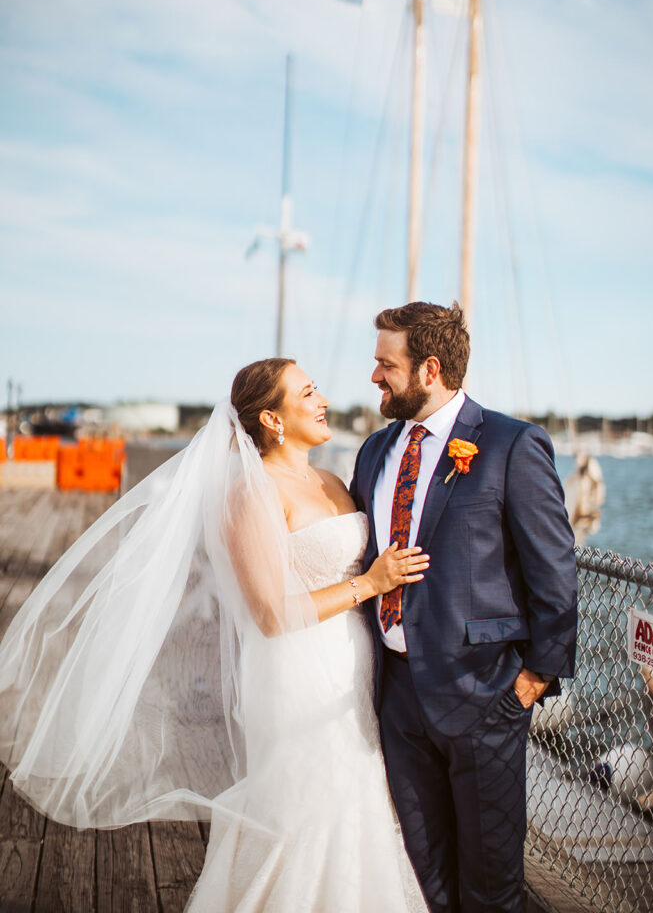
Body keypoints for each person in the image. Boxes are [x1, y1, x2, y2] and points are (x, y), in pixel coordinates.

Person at [0, 358, 428, 912]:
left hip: (352, 668)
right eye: (308, 391)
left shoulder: (331, 481)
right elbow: (271, 614)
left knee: (357, 802)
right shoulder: (250, 495)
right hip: (297, 672)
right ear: (272, 419)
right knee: (310, 806)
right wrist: (370, 585)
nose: (323, 399)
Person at [350, 301, 578, 913]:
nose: (374, 376)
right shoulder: (374, 452)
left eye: (384, 364)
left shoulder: (511, 444)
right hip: (396, 697)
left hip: (486, 696)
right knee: (421, 875)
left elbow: (554, 571)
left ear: (428, 369)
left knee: (491, 885)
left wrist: (532, 680)